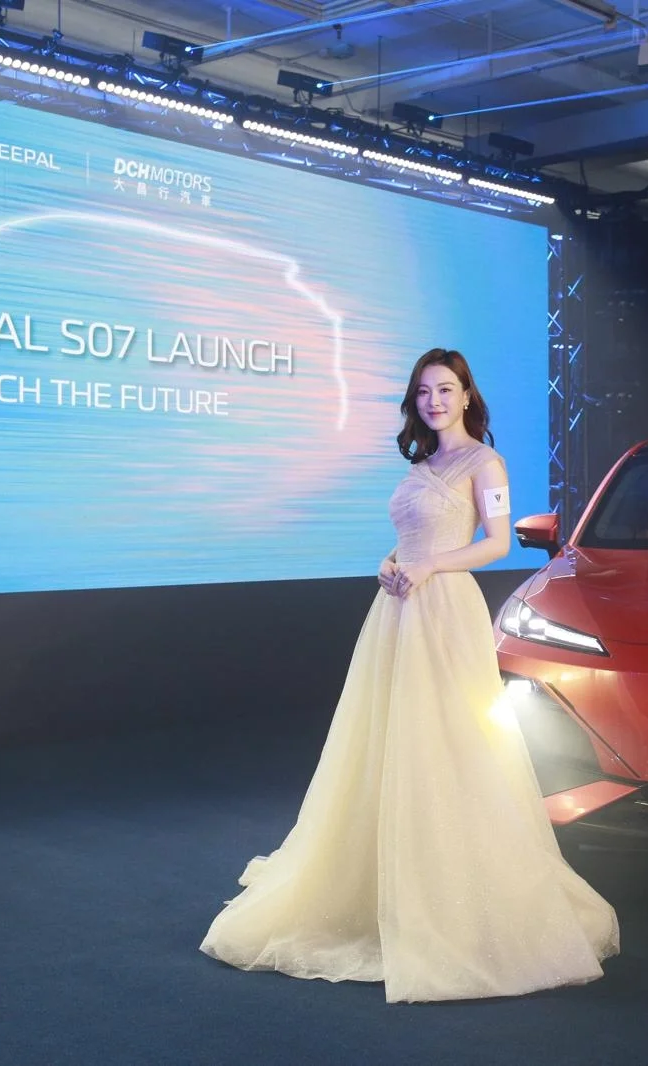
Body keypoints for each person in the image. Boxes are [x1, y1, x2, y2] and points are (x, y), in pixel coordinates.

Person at [200, 348, 620, 1003]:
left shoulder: (485, 463)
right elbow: (414, 536)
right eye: (424, 391)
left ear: (466, 395)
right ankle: (380, 874)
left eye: (445, 389)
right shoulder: (421, 466)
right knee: (388, 737)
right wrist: (393, 559)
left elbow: (495, 543)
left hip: (444, 611)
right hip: (398, 610)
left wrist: (428, 567)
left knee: (448, 739)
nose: (434, 401)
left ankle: (450, 888)